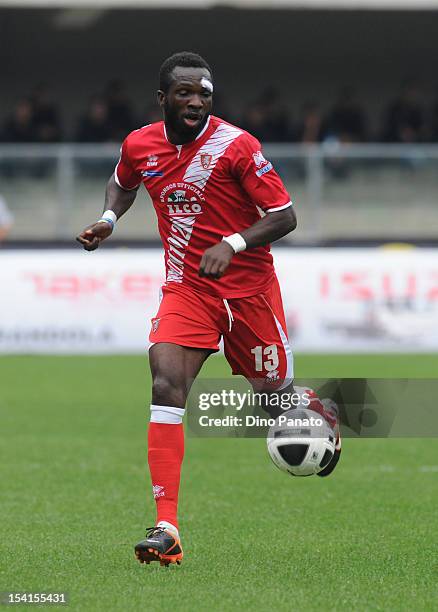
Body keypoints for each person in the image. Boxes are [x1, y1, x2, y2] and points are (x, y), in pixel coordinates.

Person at [76, 52, 340, 568]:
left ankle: (319, 416)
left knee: (274, 402)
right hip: (187, 290)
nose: (196, 101)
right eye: (185, 93)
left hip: (249, 293)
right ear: (163, 99)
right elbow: (124, 181)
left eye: (204, 94)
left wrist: (235, 242)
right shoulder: (139, 143)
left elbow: (285, 215)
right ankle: (167, 527)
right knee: (165, 383)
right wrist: (109, 217)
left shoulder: (236, 145)